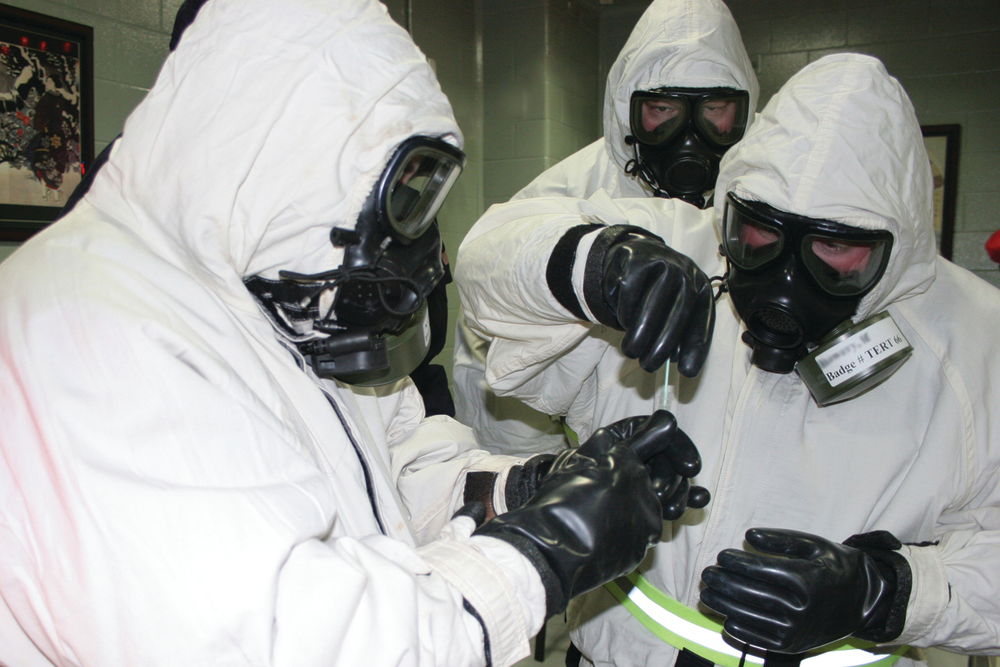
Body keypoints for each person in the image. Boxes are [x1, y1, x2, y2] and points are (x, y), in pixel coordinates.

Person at [0, 1, 707, 665]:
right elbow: (289, 643)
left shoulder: (276, 291)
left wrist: (527, 490)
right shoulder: (89, 329)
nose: (419, 253)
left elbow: (395, 471)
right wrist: (543, 552)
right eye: (401, 200)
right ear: (288, 161)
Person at [455, 53, 1000, 667]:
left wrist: (889, 593)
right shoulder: (684, 245)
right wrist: (596, 266)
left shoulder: (976, 342)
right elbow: (487, 255)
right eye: (760, 235)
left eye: (834, 249)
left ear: (892, 250)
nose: (786, 280)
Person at [453, 0, 758, 457]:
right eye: (662, 109)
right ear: (627, 109)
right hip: (586, 443)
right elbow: (493, 346)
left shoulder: (758, 195)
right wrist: (543, 477)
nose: (690, 134)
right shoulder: (564, 196)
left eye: (716, 110)